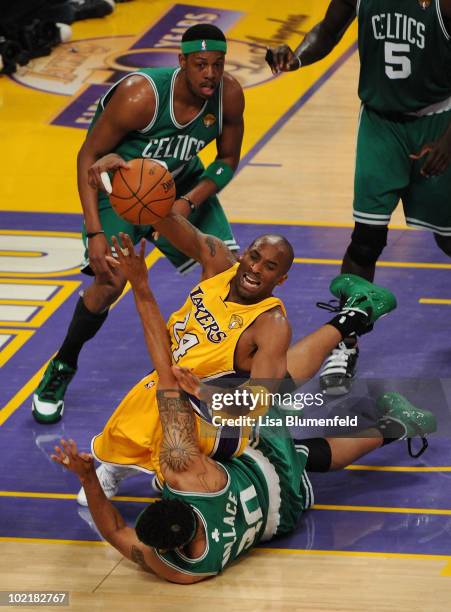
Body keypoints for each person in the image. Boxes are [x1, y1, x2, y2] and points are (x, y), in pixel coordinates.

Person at [51, 235, 436, 583]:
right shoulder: (183, 469)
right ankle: (359, 327)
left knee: (290, 428)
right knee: (286, 423)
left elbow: (117, 532)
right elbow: (167, 372)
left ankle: (396, 422)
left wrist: (89, 480)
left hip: (276, 517)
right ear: (173, 497)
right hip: (257, 472)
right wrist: (142, 286)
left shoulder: (182, 571)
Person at [73, 211, 401, 504]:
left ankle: (396, 426)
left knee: (298, 453)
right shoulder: (219, 265)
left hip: (229, 412)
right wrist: (144, 199)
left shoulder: (272, 324)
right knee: (158, 396)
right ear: (243, 253)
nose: (256, 268)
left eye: (269, 267)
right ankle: (356, 314)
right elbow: (173, 224)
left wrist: (207, 394)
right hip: (200, 386)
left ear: (281, 279)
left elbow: (260, 401)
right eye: (254, 257)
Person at [32, 22, 245, 423]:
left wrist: (185, 202)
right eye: (201, 65)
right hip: (123, 186)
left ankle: (221, 379)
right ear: (181, 61)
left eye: (218, 64)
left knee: (228, 271)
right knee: (111, 280)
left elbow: (227, 160)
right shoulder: (139, 96)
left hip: (178, 182)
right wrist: (95, 232)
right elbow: (87, 157)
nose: (210, 75)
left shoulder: (228, 94)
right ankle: (62, 366)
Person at [266, 0, 451, 395]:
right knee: (365, 241)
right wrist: (296, 58)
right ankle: (344, 342)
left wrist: (448, 141)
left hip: (438, 122)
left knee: (448, 238)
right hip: (381, 126)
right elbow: (328, 31)